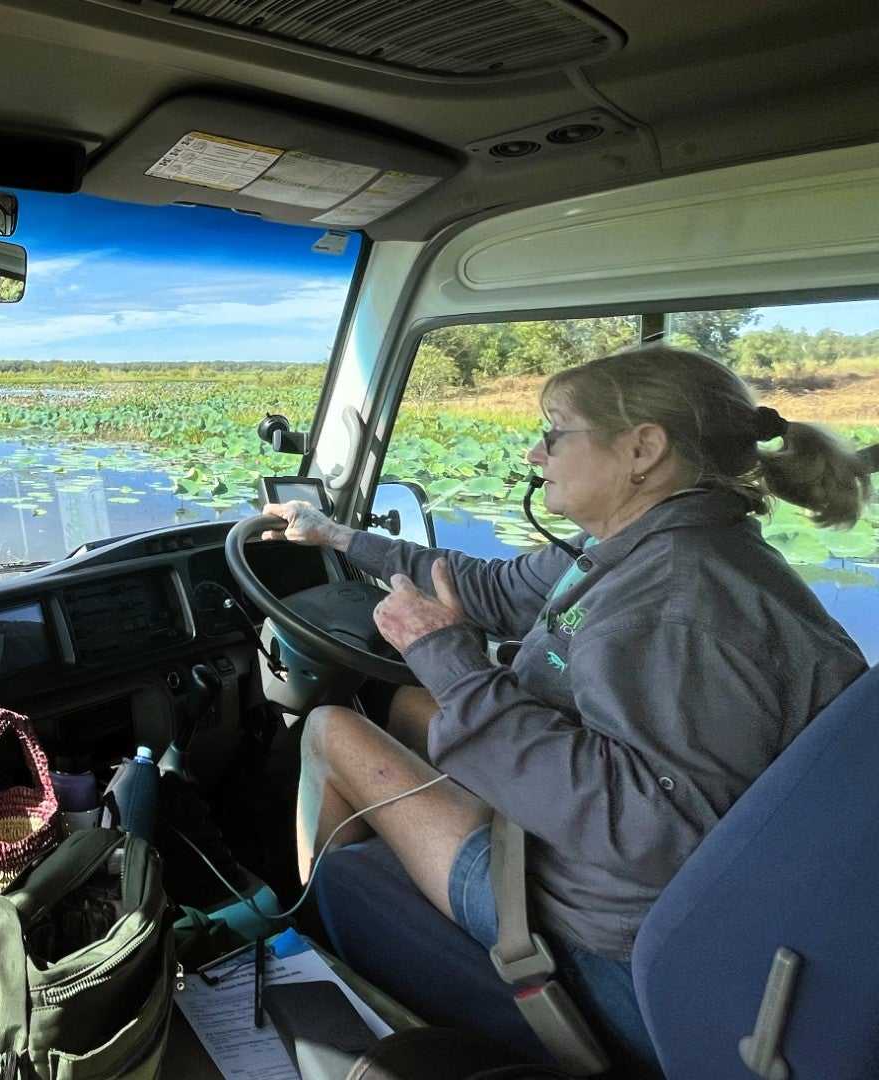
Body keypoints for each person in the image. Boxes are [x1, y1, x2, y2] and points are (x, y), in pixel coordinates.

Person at [262, 346, 870, 1072]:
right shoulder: (645, 544)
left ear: (643, 449)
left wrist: (455, 661)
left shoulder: (676, 603)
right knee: (405, 706)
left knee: (332, 731)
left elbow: (645, 832)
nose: (534, 450)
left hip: (606, 923)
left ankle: (315, 948)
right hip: (701, 875)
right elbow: (486, 588)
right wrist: (335, 537)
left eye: (555, 432)